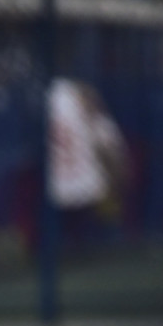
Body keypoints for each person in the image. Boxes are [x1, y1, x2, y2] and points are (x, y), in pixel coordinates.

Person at [47, 78, 129, 248]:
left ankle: (108, 236)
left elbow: (114, 156)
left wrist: (113, 179)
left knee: (103, 201)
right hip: (73, 183)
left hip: (102, 182)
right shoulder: (71, 122)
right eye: (83, 100)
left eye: (89, 100)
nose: (87, 103)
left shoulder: (102, 124)